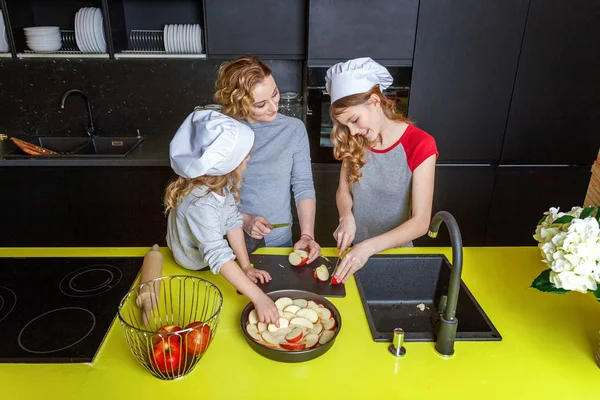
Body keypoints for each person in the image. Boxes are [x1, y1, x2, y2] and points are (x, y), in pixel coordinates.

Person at [327, 57, 438, 284]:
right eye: (346, 125)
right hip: (354, 254)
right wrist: (345, 216)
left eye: (354, 120)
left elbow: (420, 222)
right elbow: (343, 190)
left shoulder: (420, 144)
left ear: (374, 101)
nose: (353, 131)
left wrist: (368, 247)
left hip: (395, 257)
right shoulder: (355, 141)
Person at [164, 110, 279, 324]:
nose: (249, 158)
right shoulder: (200, 203)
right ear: (228, 165)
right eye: (245, 156)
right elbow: (217, 254)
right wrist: (259, 297)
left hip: (209, 246)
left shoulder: (219, 182)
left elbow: (232, 221)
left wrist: (246, 267)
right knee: (222, 256)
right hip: (194, 262)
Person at [214, 56, 321, 263]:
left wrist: (307, 235)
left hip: (281, 242)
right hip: (229, 242)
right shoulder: (224, 133)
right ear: (240, 104)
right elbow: (209, 194)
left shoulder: (293, 129)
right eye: (261, 104)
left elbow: (303, 186)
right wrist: (243, 220)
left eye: (275, 94)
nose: (273, 107)